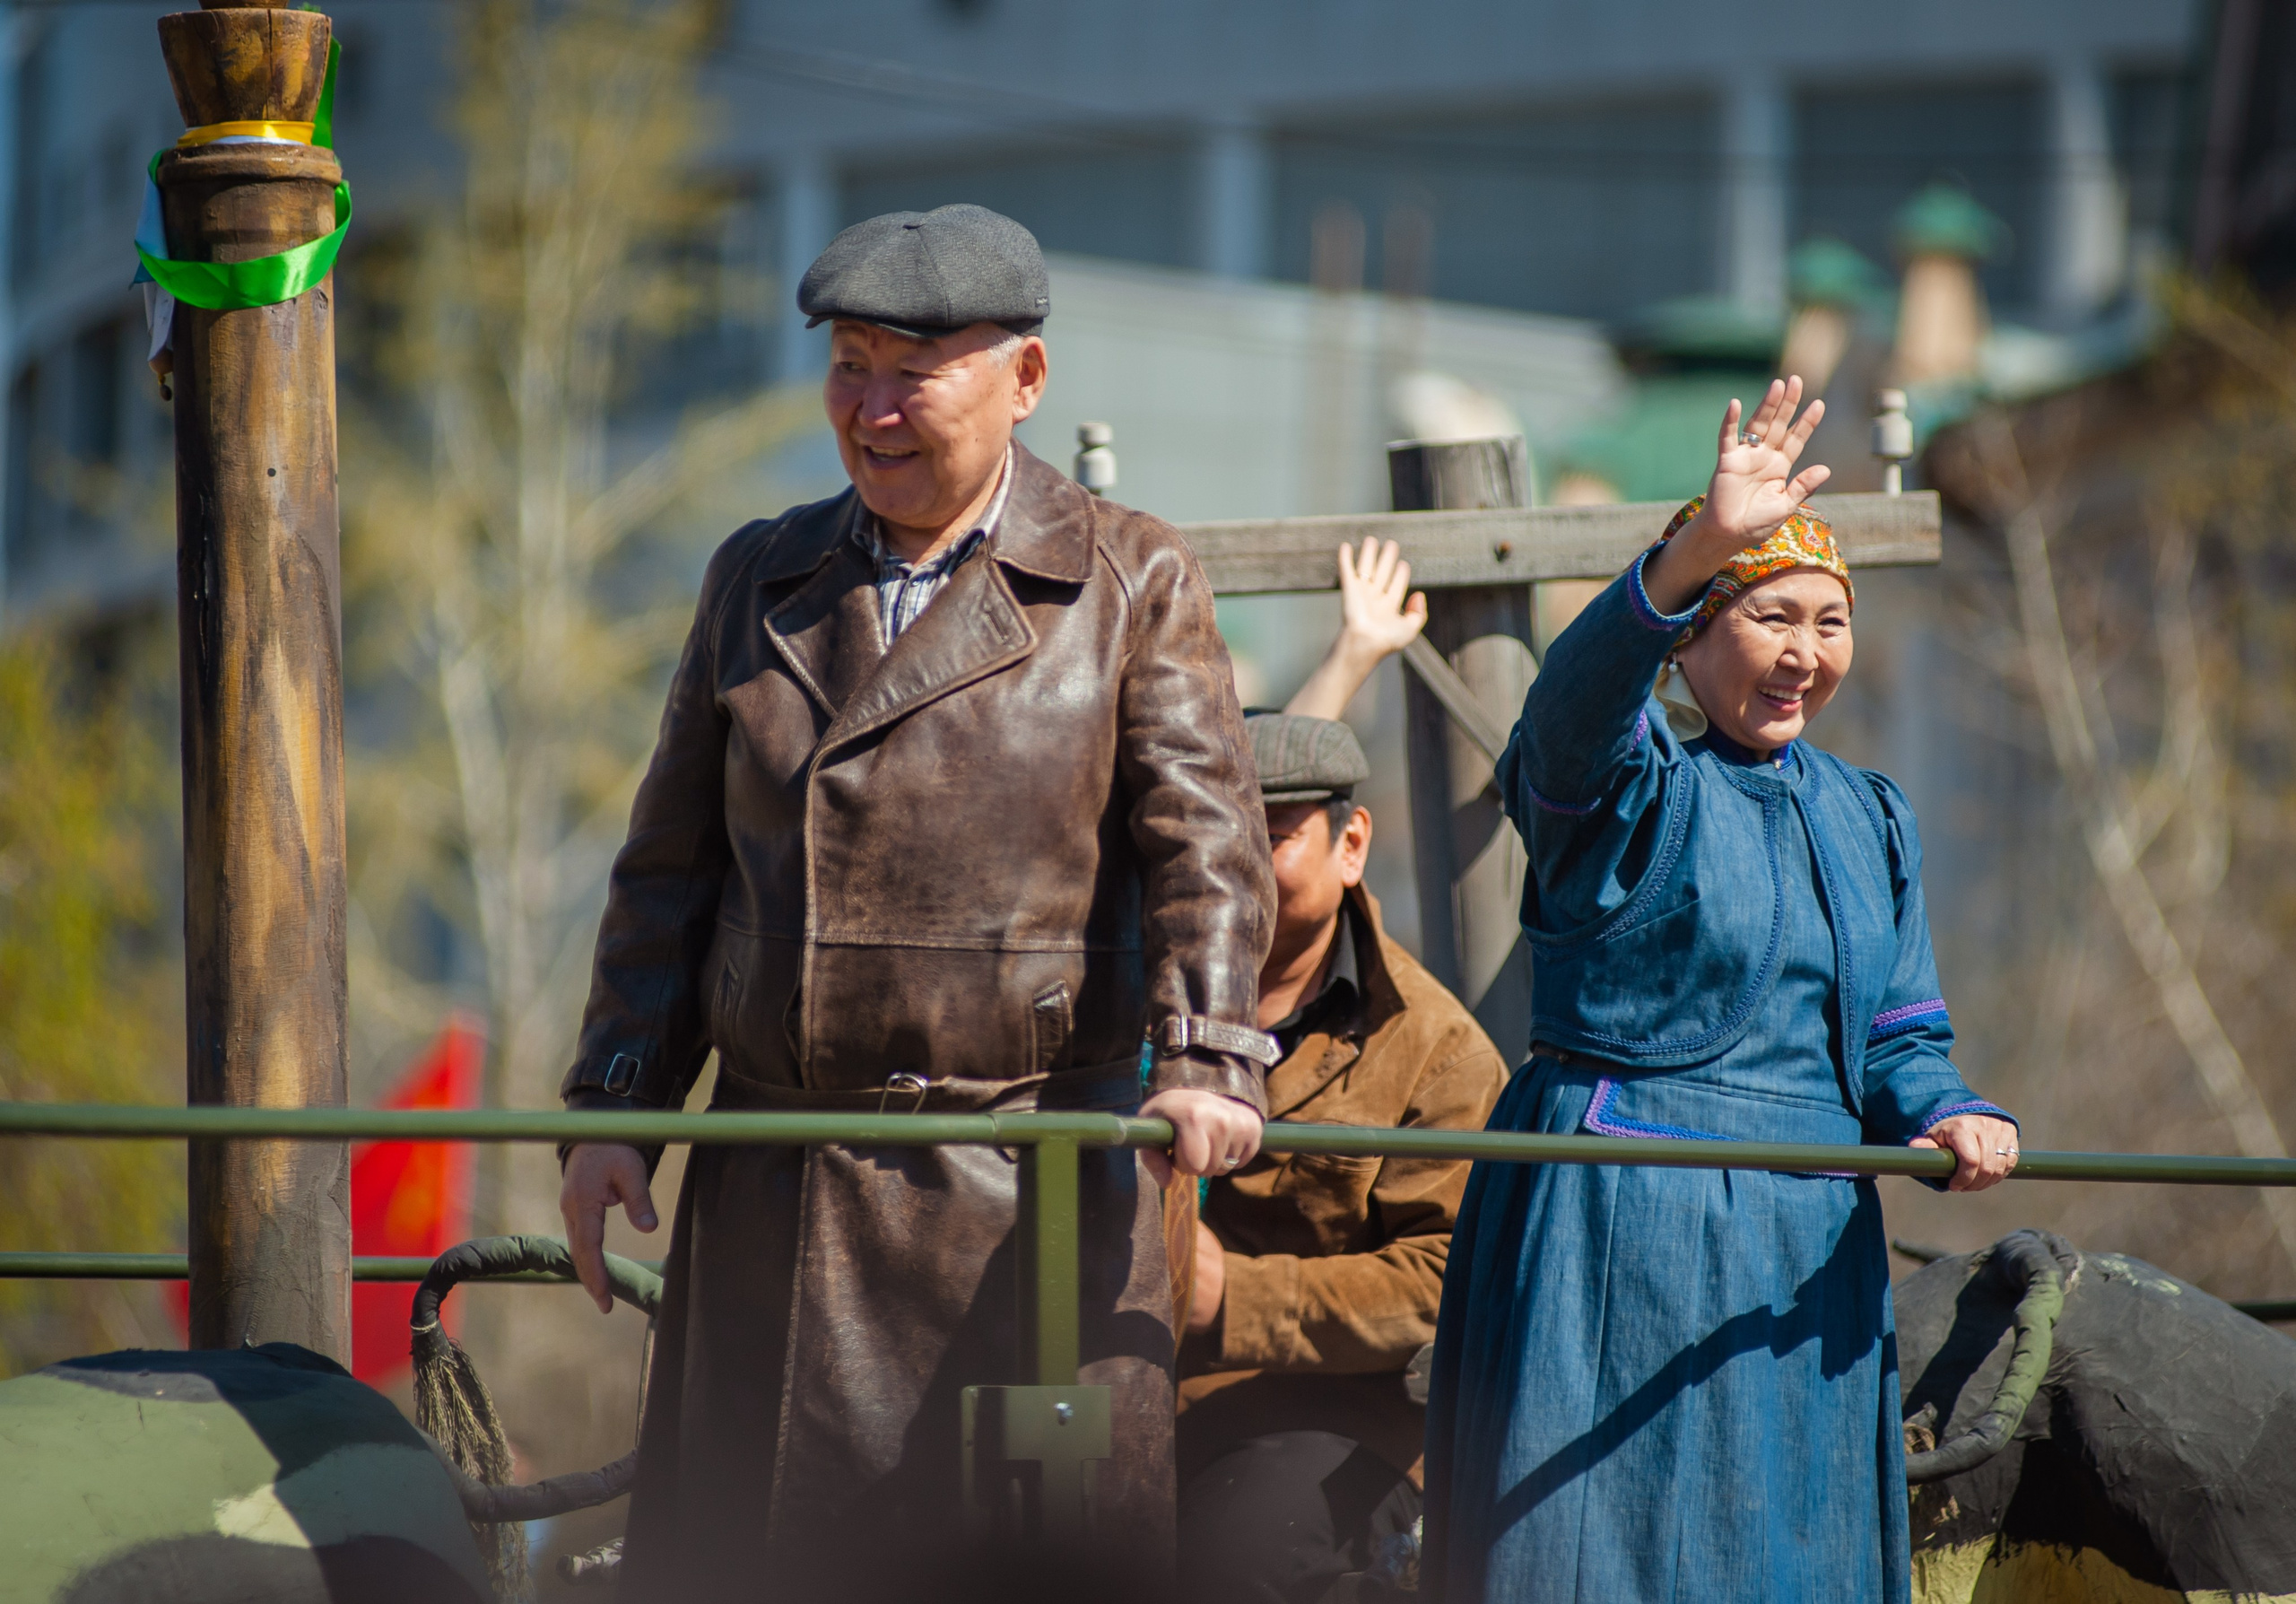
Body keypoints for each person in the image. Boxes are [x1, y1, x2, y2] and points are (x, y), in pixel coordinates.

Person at [553, 203, 1277, 1598]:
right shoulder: (755, 577)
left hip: (1029, 1196)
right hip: (780, 1186)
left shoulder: (1131, 577)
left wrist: (1207, 1055)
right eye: (848, 368)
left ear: (1027, 380)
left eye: (914, 373)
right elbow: (671, 872)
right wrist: (614, 1107)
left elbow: (1208, 840)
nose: (872, 411)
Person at [1423, 377, 2021, 1604]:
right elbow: (1570, 713)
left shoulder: (1871, 816)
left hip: (1806, 1249)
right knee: (1600, 1556)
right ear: (1688, 643)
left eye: (1829, 620)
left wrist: (1947, 1107)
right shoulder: (1628, 790)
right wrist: (1696, 547)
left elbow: (1902, 1031)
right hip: (1621, 1221)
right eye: (1769, 617)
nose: (1806, 653)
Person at [1175, 704, 1507, 1604]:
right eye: (1206, 837)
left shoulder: (1436, 1050)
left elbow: (1449, 1283)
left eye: (1268, 838)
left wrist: (1229, 1299)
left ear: (1350, 843)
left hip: (1331, 1434)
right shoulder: (1107, 1000)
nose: (1228, 868)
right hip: (1102, 1399)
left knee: (1238, 1558)